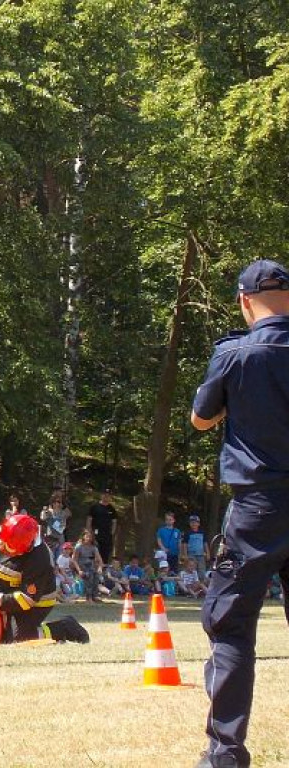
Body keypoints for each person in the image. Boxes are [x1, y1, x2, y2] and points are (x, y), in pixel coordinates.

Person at [190, 259, 289, 767]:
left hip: (257, 509)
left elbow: (201, 420)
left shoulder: (233, 353)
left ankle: (225, 755)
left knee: (230, 628)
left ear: (244, 301)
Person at [0, 513, 89, 643]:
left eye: (9, 548)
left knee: (21, 638)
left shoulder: (39, 559)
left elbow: (26, 599)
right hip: (5, 589)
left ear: (25, 547)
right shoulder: (1, 534)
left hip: (36, 601)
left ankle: (64, 628)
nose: (2, 549)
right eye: (2, 543)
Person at [86, 490, 118, 563]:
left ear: (110, 497)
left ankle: (103, 569)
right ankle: (93, 569)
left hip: (107, 535)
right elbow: (89, 520)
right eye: (104, 495)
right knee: (94, 551)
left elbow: (114, 522)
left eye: (108, 495)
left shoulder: (112, 509)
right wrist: (88, 532)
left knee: (105, 553)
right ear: (101, 495)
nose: (106, 497)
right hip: (95, 533)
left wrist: (112, 533)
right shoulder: (94, 507)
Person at [72, 530, 104, 603]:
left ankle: (94, 596)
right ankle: (88, 597)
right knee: (89, 575)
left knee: (96, 575)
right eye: (87, 537)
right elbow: (74, 560)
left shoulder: (93, 547)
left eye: (90, 537)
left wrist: (100, 567)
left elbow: (99, 559)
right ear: (83, 537)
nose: (88, 538)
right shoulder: (79, 547)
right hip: (81, 566)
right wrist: (79, 570)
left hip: (90, 565)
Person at [183, 514, 211, 580]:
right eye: (192, 522)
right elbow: (185, 544)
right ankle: (192, 583)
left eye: (195, 522)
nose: (194, 524)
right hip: (191, 555)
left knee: (202, 570)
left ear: (198, 524)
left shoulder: (202, 533)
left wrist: (208, 553)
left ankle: (201, 584)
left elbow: (205, 543)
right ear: (189, 524)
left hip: (201, 555)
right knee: (192, 570)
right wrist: (185, 555)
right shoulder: (188, 533)